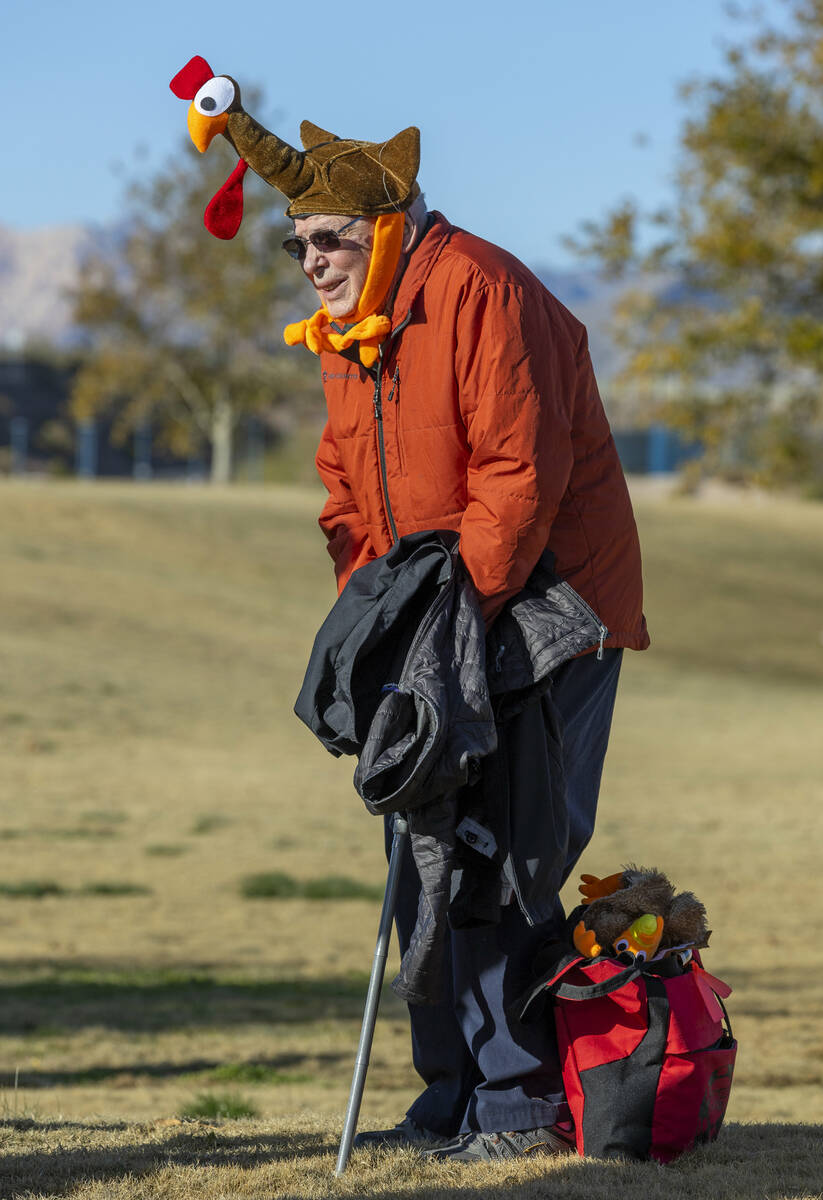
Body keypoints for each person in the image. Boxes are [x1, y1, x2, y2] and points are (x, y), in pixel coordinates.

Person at [172, 60, 649, 1163]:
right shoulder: (352, 329)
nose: (311, 262)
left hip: (545, 608)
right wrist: (376, 621)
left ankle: (517, 1104)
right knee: (423, 848)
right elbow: (346, 488)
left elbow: (519, 479)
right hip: (438, 617)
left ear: (390, 225)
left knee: (504, 850)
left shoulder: (481, 287)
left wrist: (453, 623)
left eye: (328, 239)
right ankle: (448, 1095)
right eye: (296, 245)